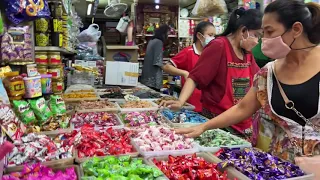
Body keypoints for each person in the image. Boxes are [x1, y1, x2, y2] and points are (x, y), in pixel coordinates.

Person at [175, 0, 320, 163]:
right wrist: (203, 126)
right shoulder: (269, 73)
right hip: (279, 167)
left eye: (269, 32)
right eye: (261, 33)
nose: (264, 40)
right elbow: (243, 108)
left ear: (296, 29)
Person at [161, 8, 261, 137]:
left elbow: (259, 78)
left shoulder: (247, 53)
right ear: (243, 31)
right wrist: (180, 102)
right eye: (256, 35)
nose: (257, 41)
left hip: (242, 121)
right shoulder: (219, 46)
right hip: (217, 123)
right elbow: (195, 77)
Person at [162, 21, 216, 112]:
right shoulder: (189, 52)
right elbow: (167, 66)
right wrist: (184, 73)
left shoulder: (213, 54)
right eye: (210, 35)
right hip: (192, 104)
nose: (213, 38)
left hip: (209, 104)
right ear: (199, 36)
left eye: (214, 36)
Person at [140, 24, 170, 92]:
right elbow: (157, 61)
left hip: (146, 77)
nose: (168, 36)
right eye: (167, 33)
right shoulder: (159, 42)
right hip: (153, 79)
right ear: (164, 33)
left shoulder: (152, 41)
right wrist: (168, 67)